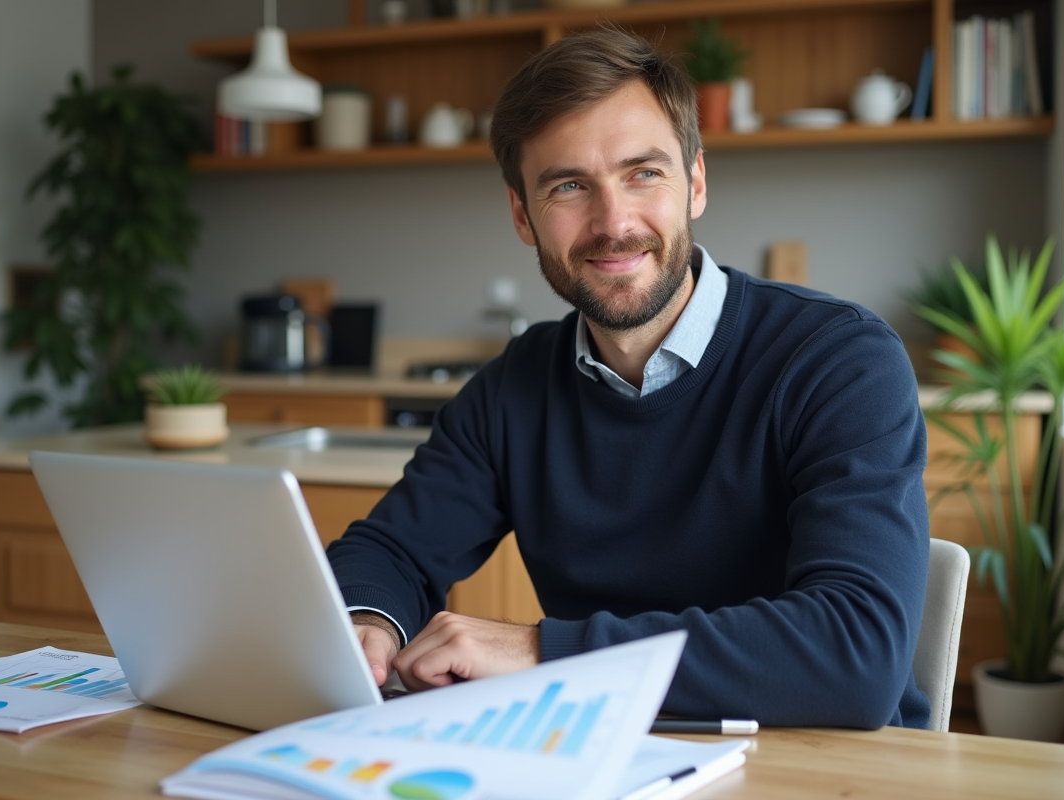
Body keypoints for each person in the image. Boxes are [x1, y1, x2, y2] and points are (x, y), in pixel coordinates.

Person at [327, 27, 931, 729]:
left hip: (820, 766)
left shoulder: (839, 362)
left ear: (696, 183)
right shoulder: (512, 390)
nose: (614, 223)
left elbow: (854, 656)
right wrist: (369, 621)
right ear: (524, 215)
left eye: (643, 172)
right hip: (602, 754)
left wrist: (541, 652)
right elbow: (389, 549)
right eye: (569, 186)